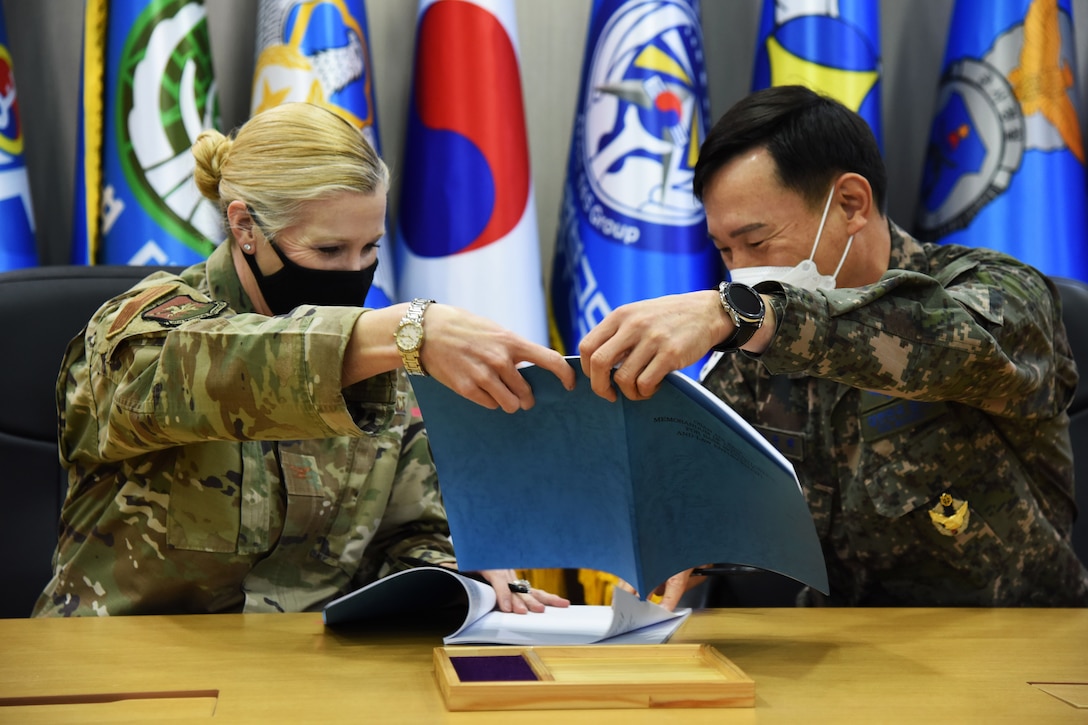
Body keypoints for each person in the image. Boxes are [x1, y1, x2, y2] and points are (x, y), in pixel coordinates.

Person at [33, 102, 575, 617]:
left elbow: (407, 533)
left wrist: (461, 577)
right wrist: (410, 327)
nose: (354, 271)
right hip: (132, 670)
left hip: (307, 670)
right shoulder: (139, 324)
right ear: (245, 227)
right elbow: (211, 367)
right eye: (329, 250)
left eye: (370, 249)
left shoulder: (385, 356)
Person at [580, 85, 1088, 608]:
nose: (741, 270)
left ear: (850, 204)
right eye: (726, 250)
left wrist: (742, 313)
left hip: (1015, 649)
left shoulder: (1001, 292)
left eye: (756, 242)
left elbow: (935, 342)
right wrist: (683, 533)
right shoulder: (758, 342)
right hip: (842, 649)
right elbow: (709, 479)